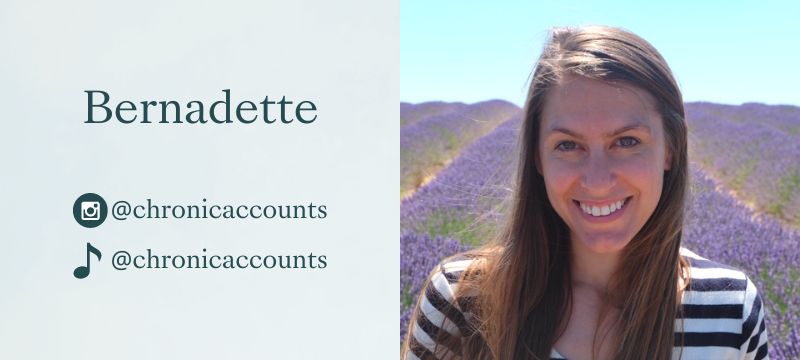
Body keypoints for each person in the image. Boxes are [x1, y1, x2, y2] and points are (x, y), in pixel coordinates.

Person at [401, 25, 768, 360]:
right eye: (568, 145)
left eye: (627, 141)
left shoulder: (730, 311)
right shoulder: (462, 301)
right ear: (538, 158)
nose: (597, 180)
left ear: (670, 150)